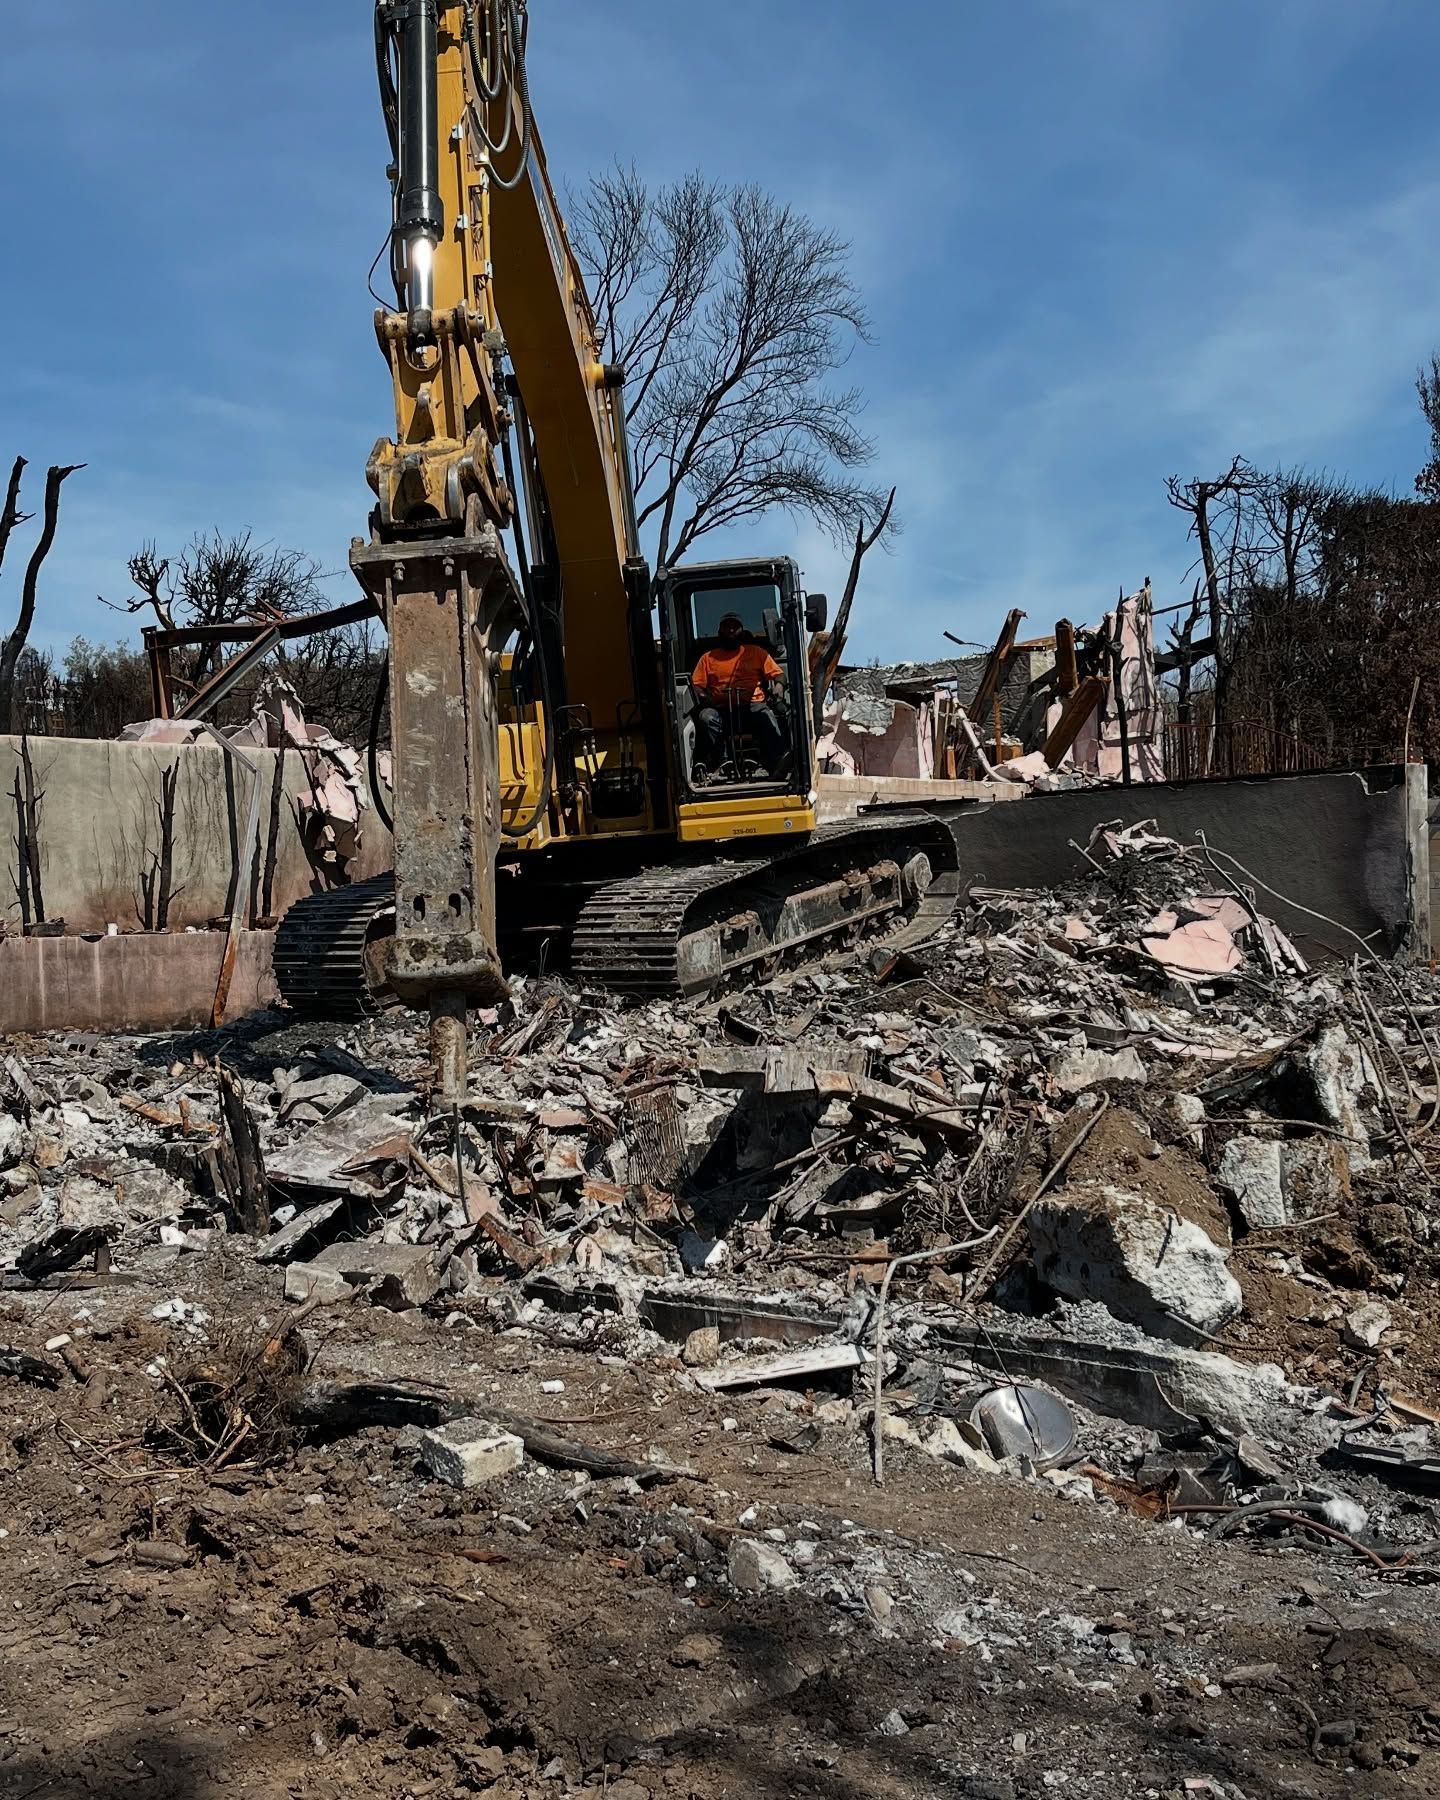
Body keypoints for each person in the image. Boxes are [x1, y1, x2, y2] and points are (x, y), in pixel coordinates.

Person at [690, 612, 788, 777]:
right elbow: (697, 685)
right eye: (726, 627)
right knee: (706, 717)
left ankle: (776, 762)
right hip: (720, 710)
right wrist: (703, 697)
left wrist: (779, 687)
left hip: (753, 708)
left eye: (735, 627)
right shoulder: (707, 658)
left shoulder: (756, 652)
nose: (730, 630)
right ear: (719, 631)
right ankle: (719, 762)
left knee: (767, 715)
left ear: (742, 631)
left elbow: (779, 675)